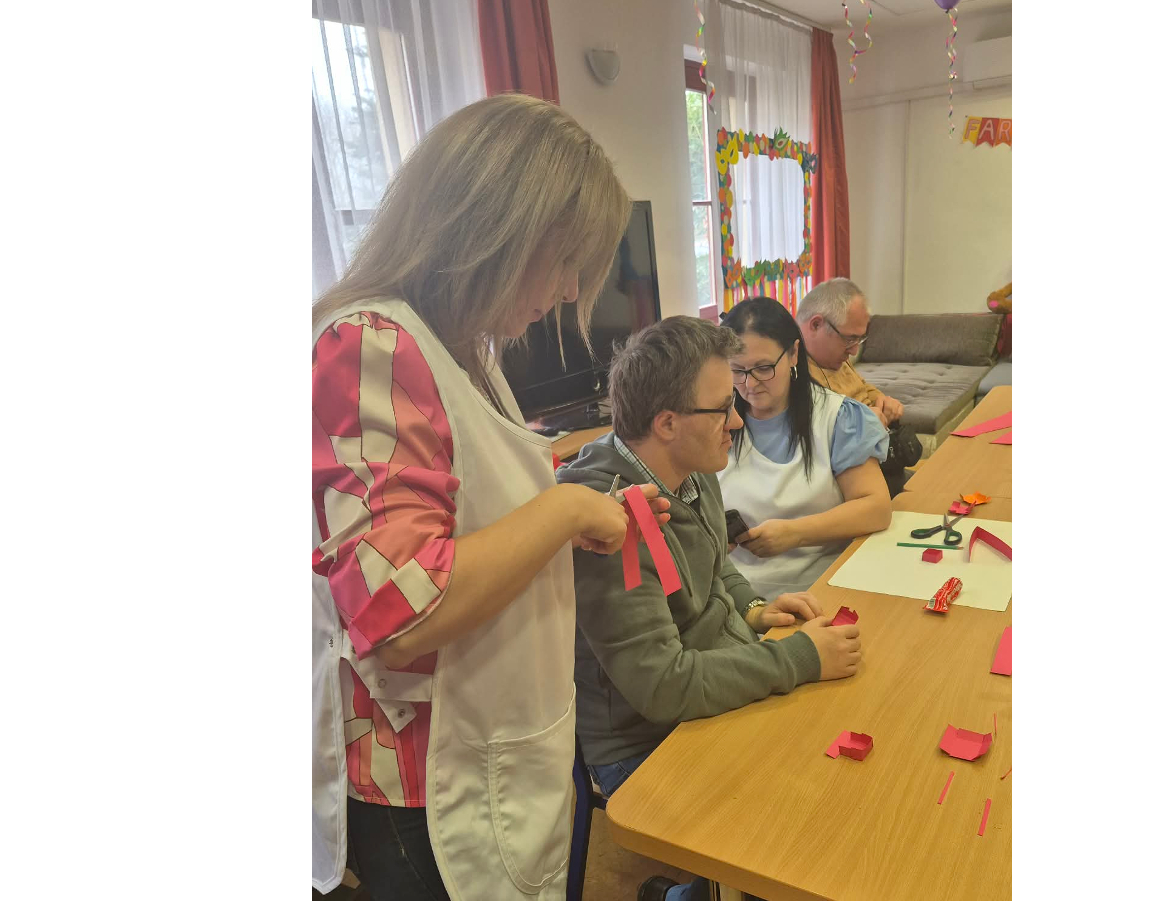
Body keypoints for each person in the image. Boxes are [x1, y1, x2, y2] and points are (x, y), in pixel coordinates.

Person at [311, 93, 672, 901]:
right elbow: (398, 614)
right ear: (491, 230)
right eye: (564, 258)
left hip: (500, 743)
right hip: (426, 781)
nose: (570, 289)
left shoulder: (464, 356)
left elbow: (469, 520)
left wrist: (561, 522)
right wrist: (562, 510)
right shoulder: (372, 343)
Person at [557, 316, 863, 901]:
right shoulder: (610, 523)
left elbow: (716, 562)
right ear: (667, 423)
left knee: (823, 764)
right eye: (723, 407)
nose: (738, 419)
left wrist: (753, 609)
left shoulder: (692, 469)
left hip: (694, 687)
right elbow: (664, 686)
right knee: (796, 820)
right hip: (643, 739)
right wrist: (798, 659)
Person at [718, 296, 892, 599]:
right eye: (737, 370)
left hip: (819, 590)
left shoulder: (838, 418)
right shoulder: (714, 420)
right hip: (736, 596)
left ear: (793, 354)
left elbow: (876, 508)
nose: (750, 384)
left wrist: (795, 533)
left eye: (763, 368)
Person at [796, 278, 924, 495]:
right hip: (854, 483)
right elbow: (819, 439)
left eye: (859, 339)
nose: (854, 351)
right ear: (816, 324)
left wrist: (883, 401)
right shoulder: (793, 373)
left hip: (881, 464)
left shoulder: (832, 358)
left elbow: (862, 387)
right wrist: (864, 422)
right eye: (849, 339)